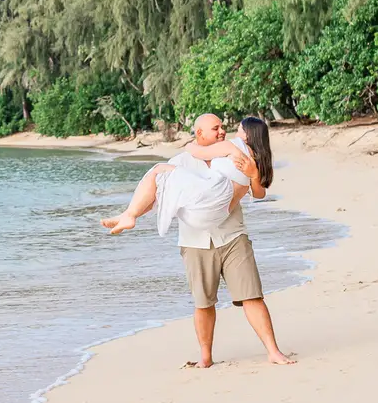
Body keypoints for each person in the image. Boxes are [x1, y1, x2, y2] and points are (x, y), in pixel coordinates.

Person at [100, 114, 292, 369]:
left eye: (224, 127)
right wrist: (136, 212)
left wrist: (253, 174)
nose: (223, 131)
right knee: (203, 303)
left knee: (252, 296)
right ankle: (206, 356)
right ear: (200, 134)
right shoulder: (182, 161)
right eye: (216, 128)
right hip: (195, 241)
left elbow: (258, 192)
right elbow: (160, 195)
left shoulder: (234, 153)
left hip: (233, 236)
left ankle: (273, 351)